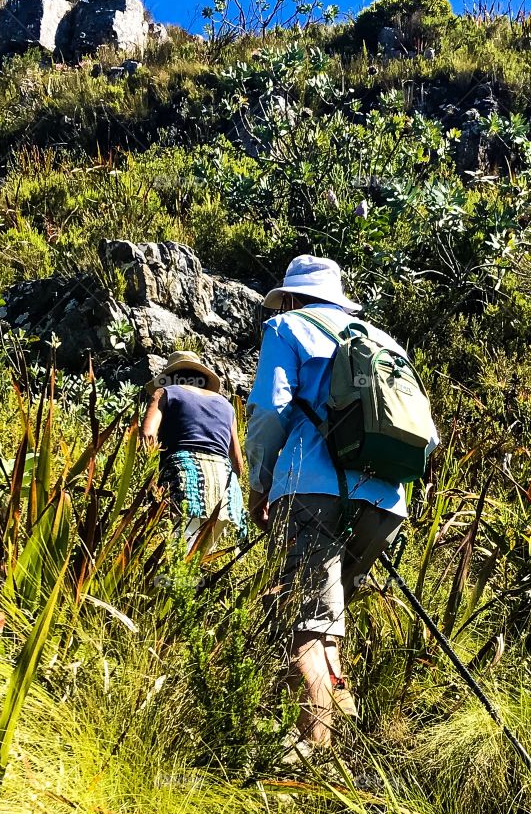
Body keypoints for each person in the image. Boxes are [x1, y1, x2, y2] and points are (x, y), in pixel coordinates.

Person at [245, 255, 439, 760]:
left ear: (290, 297)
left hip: (310, 488)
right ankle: (332, 727)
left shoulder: (286, 327)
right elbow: (428, 436)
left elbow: (269, 408)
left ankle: (313, 748)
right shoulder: (384, 342)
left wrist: (260, 484)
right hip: (386, 501)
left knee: (308, 619)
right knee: (327, 617)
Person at [140, 351, 246, 548]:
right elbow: (238, 464)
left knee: (176, 557)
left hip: (184, 477)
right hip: (224, 488)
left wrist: (149, 480)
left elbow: (148, 436)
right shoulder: (226, 405)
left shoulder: (165, 392)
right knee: (198, 561)